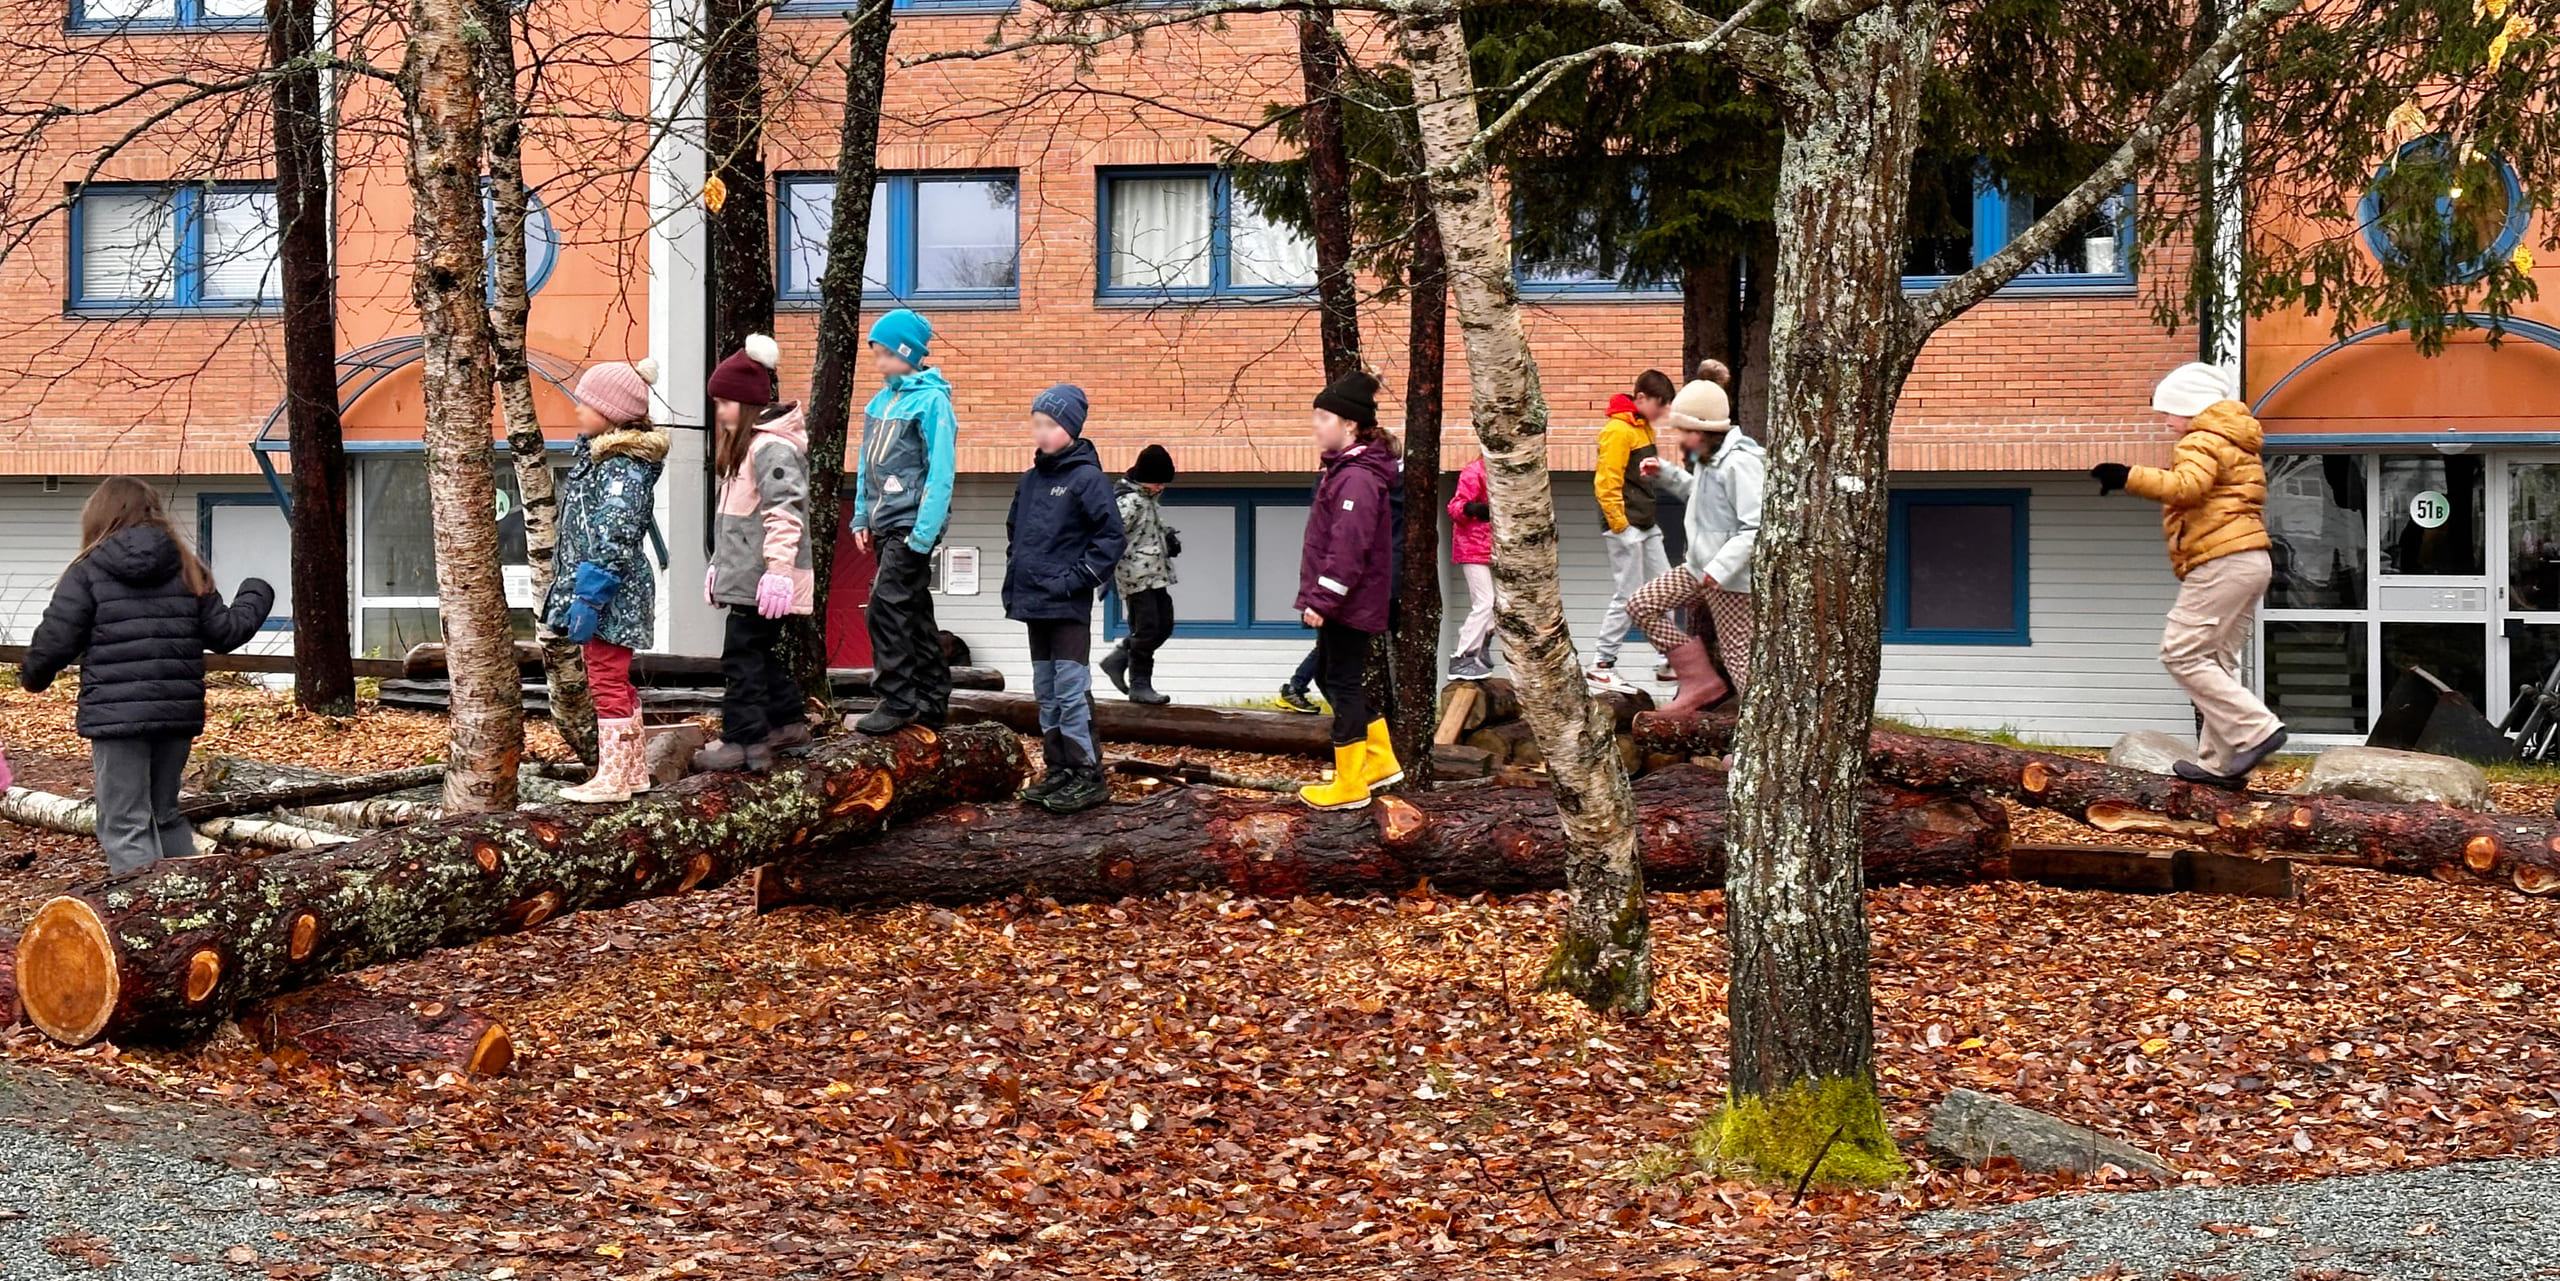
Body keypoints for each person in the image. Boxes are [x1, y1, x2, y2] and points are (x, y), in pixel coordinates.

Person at [21, 477, 272, 874]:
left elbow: (56, 637)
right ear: (154, 512)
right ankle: (190, 910)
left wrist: (34, 676)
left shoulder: (88, 570)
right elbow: (226, 633)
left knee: (124, 822)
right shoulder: (186, 566)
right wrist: (256, 592)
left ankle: (149, 916)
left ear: (99, 516)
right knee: (164, 814)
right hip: (177, 714)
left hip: (117, 718)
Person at [2094, 361, 2287, 788]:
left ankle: (2256, 730)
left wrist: (2128, 476)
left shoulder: (2202, 439)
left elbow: (2187, 487)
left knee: (2180, 653)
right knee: (2218, 660)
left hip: (2222, 559)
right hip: (2250, 558)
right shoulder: (2237, 440)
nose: (2166, 422)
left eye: (2170, 412)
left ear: (2192, 407)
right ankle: (2222, 765)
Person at [547, 357, 669, 803]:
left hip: (611, 593)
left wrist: (590, 595)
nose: (578, 410)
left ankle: (614, 778)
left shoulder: (622, 469)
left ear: (611, 412)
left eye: (585, 403)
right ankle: (631, 771)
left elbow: (614, 535)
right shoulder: (600, 461)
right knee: (613, 678)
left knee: (606, 680)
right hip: (602, 589)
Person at [693, 334, 813, 773]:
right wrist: (717, 567)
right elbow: (735, 521)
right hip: (746, 576)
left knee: (740, 658)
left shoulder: (771, 448)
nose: (719, 410)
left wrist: (779, 571)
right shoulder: (745, 450)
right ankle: (788, 724)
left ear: (745, 405)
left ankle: (744, 740)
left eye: (725, 402)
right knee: (757, 655)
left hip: (764, 580)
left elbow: (785, 512)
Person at [1004, 385, 1126, 813]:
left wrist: (1075, 580)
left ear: (1070, 428)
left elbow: (1110, 538)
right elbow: (1015, 531)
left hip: (1067, 604)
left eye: (1050, 425)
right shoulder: (1032, 480)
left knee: (1072, 689)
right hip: (1034, 603)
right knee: (1047, 690)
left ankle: (1087, 773)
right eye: (1036, 423)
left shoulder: (1087, 478)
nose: (1041, 432)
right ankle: (1059, 768)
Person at [1294, 370, 1404, 810]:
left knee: (1340, 680)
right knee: (1330, 675)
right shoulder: (1348, 471)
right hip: (1348, 599)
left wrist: (1322, 599)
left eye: (1324, 417)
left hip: (1349, 601)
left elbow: (1348, 546)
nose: (1316, 425)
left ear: (1350, 425)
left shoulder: (1357, 478)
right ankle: (1377, 760)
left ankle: (1350, 783)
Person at [850, 308, 960, 735]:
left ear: (907, 353)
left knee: (883, 606)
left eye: (885, 355)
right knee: (913, 611)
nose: (879, 364)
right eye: (875, 355)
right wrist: (861, 514)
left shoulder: (932, 401)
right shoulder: (880, 403)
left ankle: (897, 699)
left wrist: (924, 533)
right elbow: (864, 465)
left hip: (911, 526)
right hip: (882, 523)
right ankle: (933, 699)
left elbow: (941, 471)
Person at [1629, 362, 1760, 715]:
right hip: (1698, 567)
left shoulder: (1741, 464)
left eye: (1684, 432)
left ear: (1706, 430)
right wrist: (1666, 473)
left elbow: (1755, 527)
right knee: (1642, 605)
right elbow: (1698, 496)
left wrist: (1720, 569)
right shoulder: (1706, 460)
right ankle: (1699, 681)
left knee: (1740, 660)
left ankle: (1757, 744)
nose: (1679, 439)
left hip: (1731, 580)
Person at [1589, 370, 1673, 689]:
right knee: (1629, 595)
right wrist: (1620, 524)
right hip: (1625, 525)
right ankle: (1602, 662)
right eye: (1659, 405)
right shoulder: (1618, 430)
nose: (1661, 412)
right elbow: (1606, 482)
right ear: (1641, 398)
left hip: (1646, 523)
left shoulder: (1644, 428)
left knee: (1665, 588)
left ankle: (1670, 658)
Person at [1101, 443, 1179, 706]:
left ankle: (1119, 657)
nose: (1161, 488)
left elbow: (1149, 529)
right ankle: (1140, 685)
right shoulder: (1129, 501)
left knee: (1164, 625)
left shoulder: (1147, 499)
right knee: (1146, 629)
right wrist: (1103, 573)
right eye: (1158, 482)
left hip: (1155, 574)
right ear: (1145, 477)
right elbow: (1110, 536)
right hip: (1135, 576)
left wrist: (1168, 537)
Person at [1446, 454, 1497, 679]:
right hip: (1473, 546)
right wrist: (1471, 509)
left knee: (1495, 603)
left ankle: (1480, 647)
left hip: (1492, 547)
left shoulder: (1499, 472)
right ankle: (1463, 656)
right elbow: (1455, 506)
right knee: (1485, 602)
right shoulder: (1475, 471)